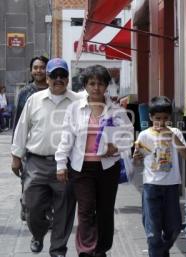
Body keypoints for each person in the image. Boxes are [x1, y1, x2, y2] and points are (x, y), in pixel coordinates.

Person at [55, 64, 134, 257]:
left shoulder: (116, 110)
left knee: (105, 211)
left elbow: (128, 137)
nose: (96, 87)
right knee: (86, 209)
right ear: (85, 86)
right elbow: (66, 137)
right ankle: (86, 250)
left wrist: (115, 148)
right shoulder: (75, 109)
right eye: (91, 83)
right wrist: (61, 164)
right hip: (81, 168)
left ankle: (101, 249)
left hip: (108, 168)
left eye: (100, 83)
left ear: (107, 86)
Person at [11, 58, 78, 257]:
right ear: (47, 78)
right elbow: (22, 128)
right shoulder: (35, 99)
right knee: (32, 207)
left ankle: (58, 249)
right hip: (36, 163)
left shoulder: (78, 101)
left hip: (66, 165)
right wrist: (16, 155)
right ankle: (38, 234)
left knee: (64, 211)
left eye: (62, 76)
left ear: (67, 78)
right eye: (54, 76)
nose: (58, 79)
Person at [133, 96, 186, 257]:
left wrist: (173, 137)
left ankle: (161, 251)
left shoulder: (175, 132)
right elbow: (137, 161)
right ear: (150, 118)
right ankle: (157, 253)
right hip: (151, 186)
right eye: (158, 118)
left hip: (172, 186)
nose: (161, 122)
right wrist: (136, 157)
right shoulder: (144, 135)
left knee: (174, 228)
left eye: (165, 118)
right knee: (153, 231)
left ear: (170, 118)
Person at [12, 55, 49, 221]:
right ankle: (26, 205)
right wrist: (16, 154)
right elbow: (18, 123)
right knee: (28, 182)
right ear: (31, 70)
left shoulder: (54, 89)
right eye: (36, 67)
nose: (39, 70)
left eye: (42, 67)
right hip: (29, 147)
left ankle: (47, 213)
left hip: (50, 146)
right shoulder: (25, 93)